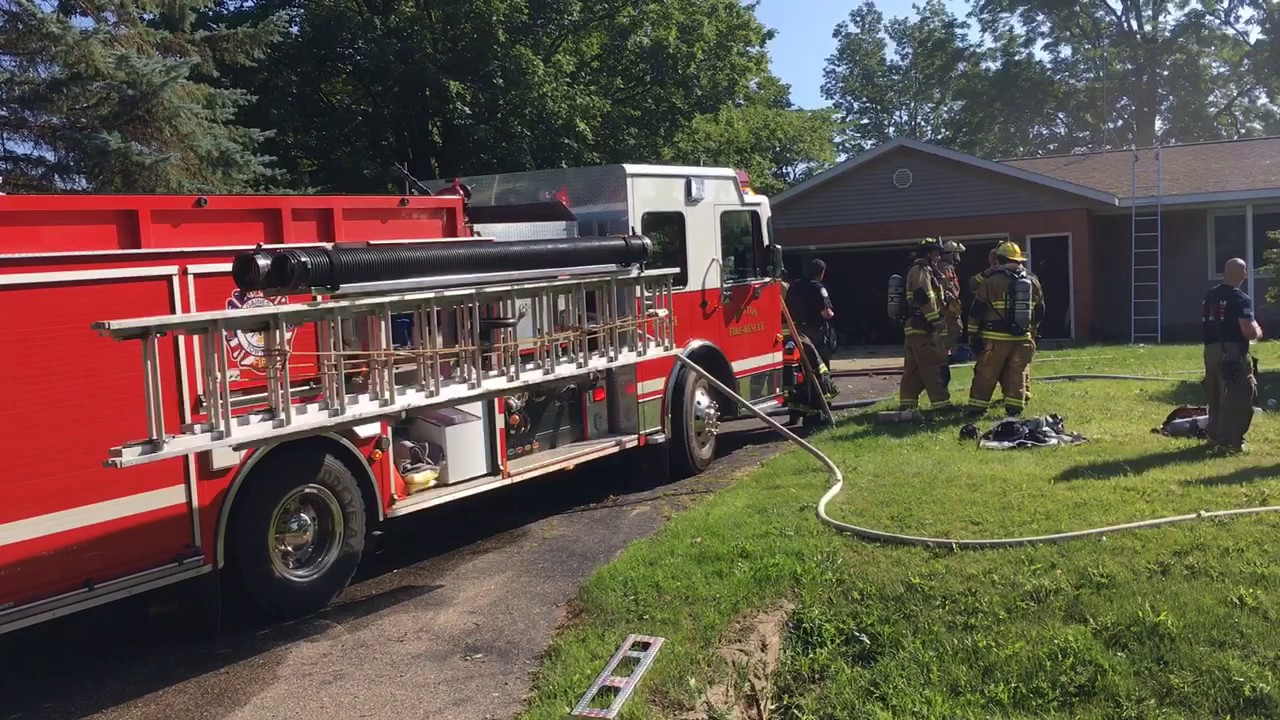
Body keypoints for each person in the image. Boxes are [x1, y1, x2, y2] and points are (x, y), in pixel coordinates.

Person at [965, 240, 1044, 417]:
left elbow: (977, 310)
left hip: (995, 339)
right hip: (1023, 338)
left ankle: (977, 408)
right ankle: (1015, 408)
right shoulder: (1033, 281)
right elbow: (1040, 311)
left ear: (999, 259)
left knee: (987, 372)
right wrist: (1033, 331)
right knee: (1017, 372)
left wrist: (971, 333)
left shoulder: (991, 281)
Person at [1201, 257, 1263, 453]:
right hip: (1232, 352)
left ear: (1225, 273)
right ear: (1243, 275)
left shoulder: (1209, 296)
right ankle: (1230, 443)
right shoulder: (1240, 298)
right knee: (1239, 395)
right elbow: (1248, 331)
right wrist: (1258, 331)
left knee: (1215, 395)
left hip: (1210, 350)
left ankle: (1214, 436)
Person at [898, 238, 952, 412]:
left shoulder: (924, 270)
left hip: (915, 327)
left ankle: (907, 405)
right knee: (933, 366)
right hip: (922, 327)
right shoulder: (921, 271)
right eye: (936, 253)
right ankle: (942, 404)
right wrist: (935, 320)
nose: (938, 257)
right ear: (927, 254)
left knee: (913, 370)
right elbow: (923, 297)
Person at [785, 258, 838, 426]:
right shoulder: (818, 288)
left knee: (798, 375)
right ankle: (818, 412)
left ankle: (794, 414)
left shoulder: (794, 286)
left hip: (796, 333)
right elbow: (826, 313)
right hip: (815, 334)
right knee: (819, 371)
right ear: (821, 272)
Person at [937, 240, 966, 360]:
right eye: (956, 253)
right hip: (946, 306)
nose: (957, 256)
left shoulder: (948, 267)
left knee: (953, 329)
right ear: (950, 254)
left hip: (952, 304)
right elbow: (944, 285)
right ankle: (941, 353)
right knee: (955, 329)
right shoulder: (943, 267)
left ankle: (944, 352)